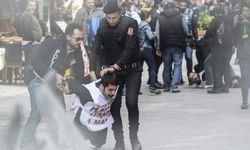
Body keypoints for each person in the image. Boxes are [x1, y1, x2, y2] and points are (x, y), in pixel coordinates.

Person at [20, 22, 86, 150]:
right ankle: (25, 145)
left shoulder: (78, 51)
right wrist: (53, 74)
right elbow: (36, 61)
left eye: (82, 39)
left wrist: (70, 86)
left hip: (56, 85)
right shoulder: (52, 42)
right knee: (37, 113)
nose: (80, 42)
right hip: (38, 81)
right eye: (78, 38)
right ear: (68, 37)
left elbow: (79, 75)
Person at [91, 1, 142, 150]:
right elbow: (95, 48)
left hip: (132, 69)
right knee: (114, 107)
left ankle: (134, 139)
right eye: (109, 18)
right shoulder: (102, 24)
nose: (111, 21)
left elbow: (130, 48)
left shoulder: (130, 23)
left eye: (114, 17)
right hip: (113, 73)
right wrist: (92, 68)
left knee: (131, 103)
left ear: (120, 14)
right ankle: (119, 142)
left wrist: (115, 65)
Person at [58, 71, 119, 149]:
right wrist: (66, 86)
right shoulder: (88, 93)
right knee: (72, 144)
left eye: (114, 90)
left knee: (98, 144)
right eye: (110, 90)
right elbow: (74, 84)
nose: (113, 93)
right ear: (101, 87)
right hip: (83, 123)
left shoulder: (113, 85)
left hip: (100, 123)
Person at [17, 0, 43, 85]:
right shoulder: (27, 16)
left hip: (31, 42)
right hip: (30, 43)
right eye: (30, 5)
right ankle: (29, 81)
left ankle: (29, 80)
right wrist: (34, 40)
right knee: (30, 63)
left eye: (34, 5)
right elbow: (27, 31)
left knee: (30, 62)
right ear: (26, 6)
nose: (32, 7)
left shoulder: (30, 15)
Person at [233, 5, 250, 109]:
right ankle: (244, 101)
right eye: (243, 10)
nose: (245, 12)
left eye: (247, 10)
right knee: (244, 77)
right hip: (243, 54)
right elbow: (234, 38)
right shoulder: (238, 24)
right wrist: (234, 24)